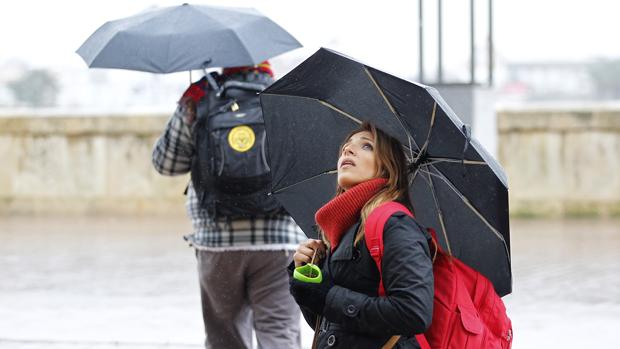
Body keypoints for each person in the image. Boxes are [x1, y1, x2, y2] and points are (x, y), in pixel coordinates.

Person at [152, 61, 306, 349]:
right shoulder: (286, 97)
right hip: (280, 242)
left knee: (225, 337)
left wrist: (192, 108)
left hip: (216, 242)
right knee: (279, 332)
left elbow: (166, 164)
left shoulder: (199, 97)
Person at [289, 122, 434, 348]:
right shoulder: (344, 230)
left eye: (366, 146)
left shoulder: (395, 224)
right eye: (346, 146)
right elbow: (331, 327)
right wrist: (307, 278)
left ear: (388, 167)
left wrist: (329, 296)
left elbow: (413, 312)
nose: (348, 150)